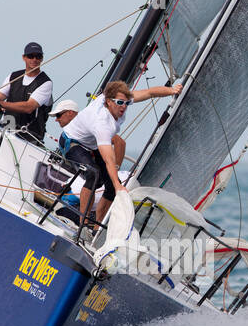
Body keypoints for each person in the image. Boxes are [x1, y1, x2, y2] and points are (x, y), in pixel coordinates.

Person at [60, 79, 182, 227]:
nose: (124, 106)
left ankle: (97, 227)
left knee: (110, 186)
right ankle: (83, 223)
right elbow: (109, 159)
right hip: (71, 142)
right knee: (94, 175)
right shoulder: (102, 123)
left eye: (126, 103)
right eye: (119, 103)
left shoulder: (120, 100)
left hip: (90, 144)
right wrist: (119, 185)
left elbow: (150, 93)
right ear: (108, 102)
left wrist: (173, 90)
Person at [0, 42, 52, 144]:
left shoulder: (46, 83)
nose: (34, 59)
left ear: (42, 58)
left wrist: (1, 103)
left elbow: (29, 107)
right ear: (24, 57)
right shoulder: (14, 76)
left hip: (29, 138)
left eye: (38, 56)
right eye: (31, 56)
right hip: (7, 130)